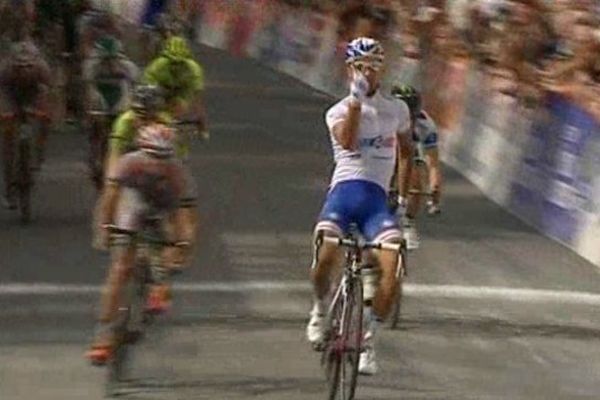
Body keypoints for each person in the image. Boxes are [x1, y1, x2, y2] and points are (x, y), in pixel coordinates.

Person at [306, 37, 413, 376]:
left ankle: (368, 339)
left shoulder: (397, 109)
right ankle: (321, 310)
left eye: (373, 67)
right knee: (326, 254)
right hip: (344, 194)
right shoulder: (337, 110)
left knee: (393, 268)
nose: (368, 72)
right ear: (350, 70)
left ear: (381, 70)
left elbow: (408, 153)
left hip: (376, 203)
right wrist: (355, 100)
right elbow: (349, 141)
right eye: (360, 66)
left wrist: (405, 199)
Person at [87, 123, 197, 365]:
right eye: (152, 157)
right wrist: (105, 228)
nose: (157, 165)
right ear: (141, 151)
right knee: (120, 268)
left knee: (174, 239)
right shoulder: (128, 163)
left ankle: (160, 282)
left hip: (164, 204)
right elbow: (110, 198)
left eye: (164, 158)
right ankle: (103, 335)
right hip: (134, 204)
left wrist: (183, 244)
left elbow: (184, 214)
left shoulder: (177, 173)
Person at [391, 84, 442, 250]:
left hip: (407, 153)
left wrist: (434, 187)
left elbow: (432, 162)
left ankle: (407, 220)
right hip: (385, 150)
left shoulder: (426, 124)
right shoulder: (382, 116)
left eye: (411, 116)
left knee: (416, 173)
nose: (408, 121)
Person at [0, 40, 51, 208]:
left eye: (29, 67)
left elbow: (49, 94)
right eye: (20, 67)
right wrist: (5, 114)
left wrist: (44, 115)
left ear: (35, 64)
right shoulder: (5, 71)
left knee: (44, 119)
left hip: (34, 93)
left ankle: (38, 153)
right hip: (9, 94)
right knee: (8, 135)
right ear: (13, 65)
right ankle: (9, 188)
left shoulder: (42, 70)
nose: (25, 71)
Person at [143, 36, 208, 136]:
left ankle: (175, 137)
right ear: (165, 57)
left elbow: (197, 99)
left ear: (187, 59)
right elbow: (146, 93)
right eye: (172, 62)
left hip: (181, 92)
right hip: (159, 91)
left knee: (177, 108)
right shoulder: (157, 66)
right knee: (154, 113)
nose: (176, 66)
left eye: (181, 62)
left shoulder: (194, 70)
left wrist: (201, 122)